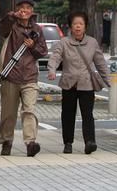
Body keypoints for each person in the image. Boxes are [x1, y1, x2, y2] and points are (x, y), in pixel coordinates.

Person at [47, 10, 110, 154]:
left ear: (85, 26)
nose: (78, 26)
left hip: (86, 84)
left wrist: (108, 80)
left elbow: (100, 63)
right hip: (69, 83)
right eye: (75, 24)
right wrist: (52, 70)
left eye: (81, 24)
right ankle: (68, 143)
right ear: (70, 26)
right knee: (68, 114)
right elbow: (55, 57)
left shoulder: (92, 43)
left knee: (87, 114)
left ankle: (90, 142)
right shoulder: (64, 43)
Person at [0, 0, 46, 157]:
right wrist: (12, 16)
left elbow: (42, 51)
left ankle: (30, 143)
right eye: (22, 7)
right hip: (10, 75)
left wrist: (33, 47)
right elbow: (2, 28)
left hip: (30, 75)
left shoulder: (37, 29)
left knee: (29, 110)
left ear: (32, 11)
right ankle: (6, 142)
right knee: (8, 113)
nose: (25, 10)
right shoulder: (11, 26)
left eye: (28, 7)